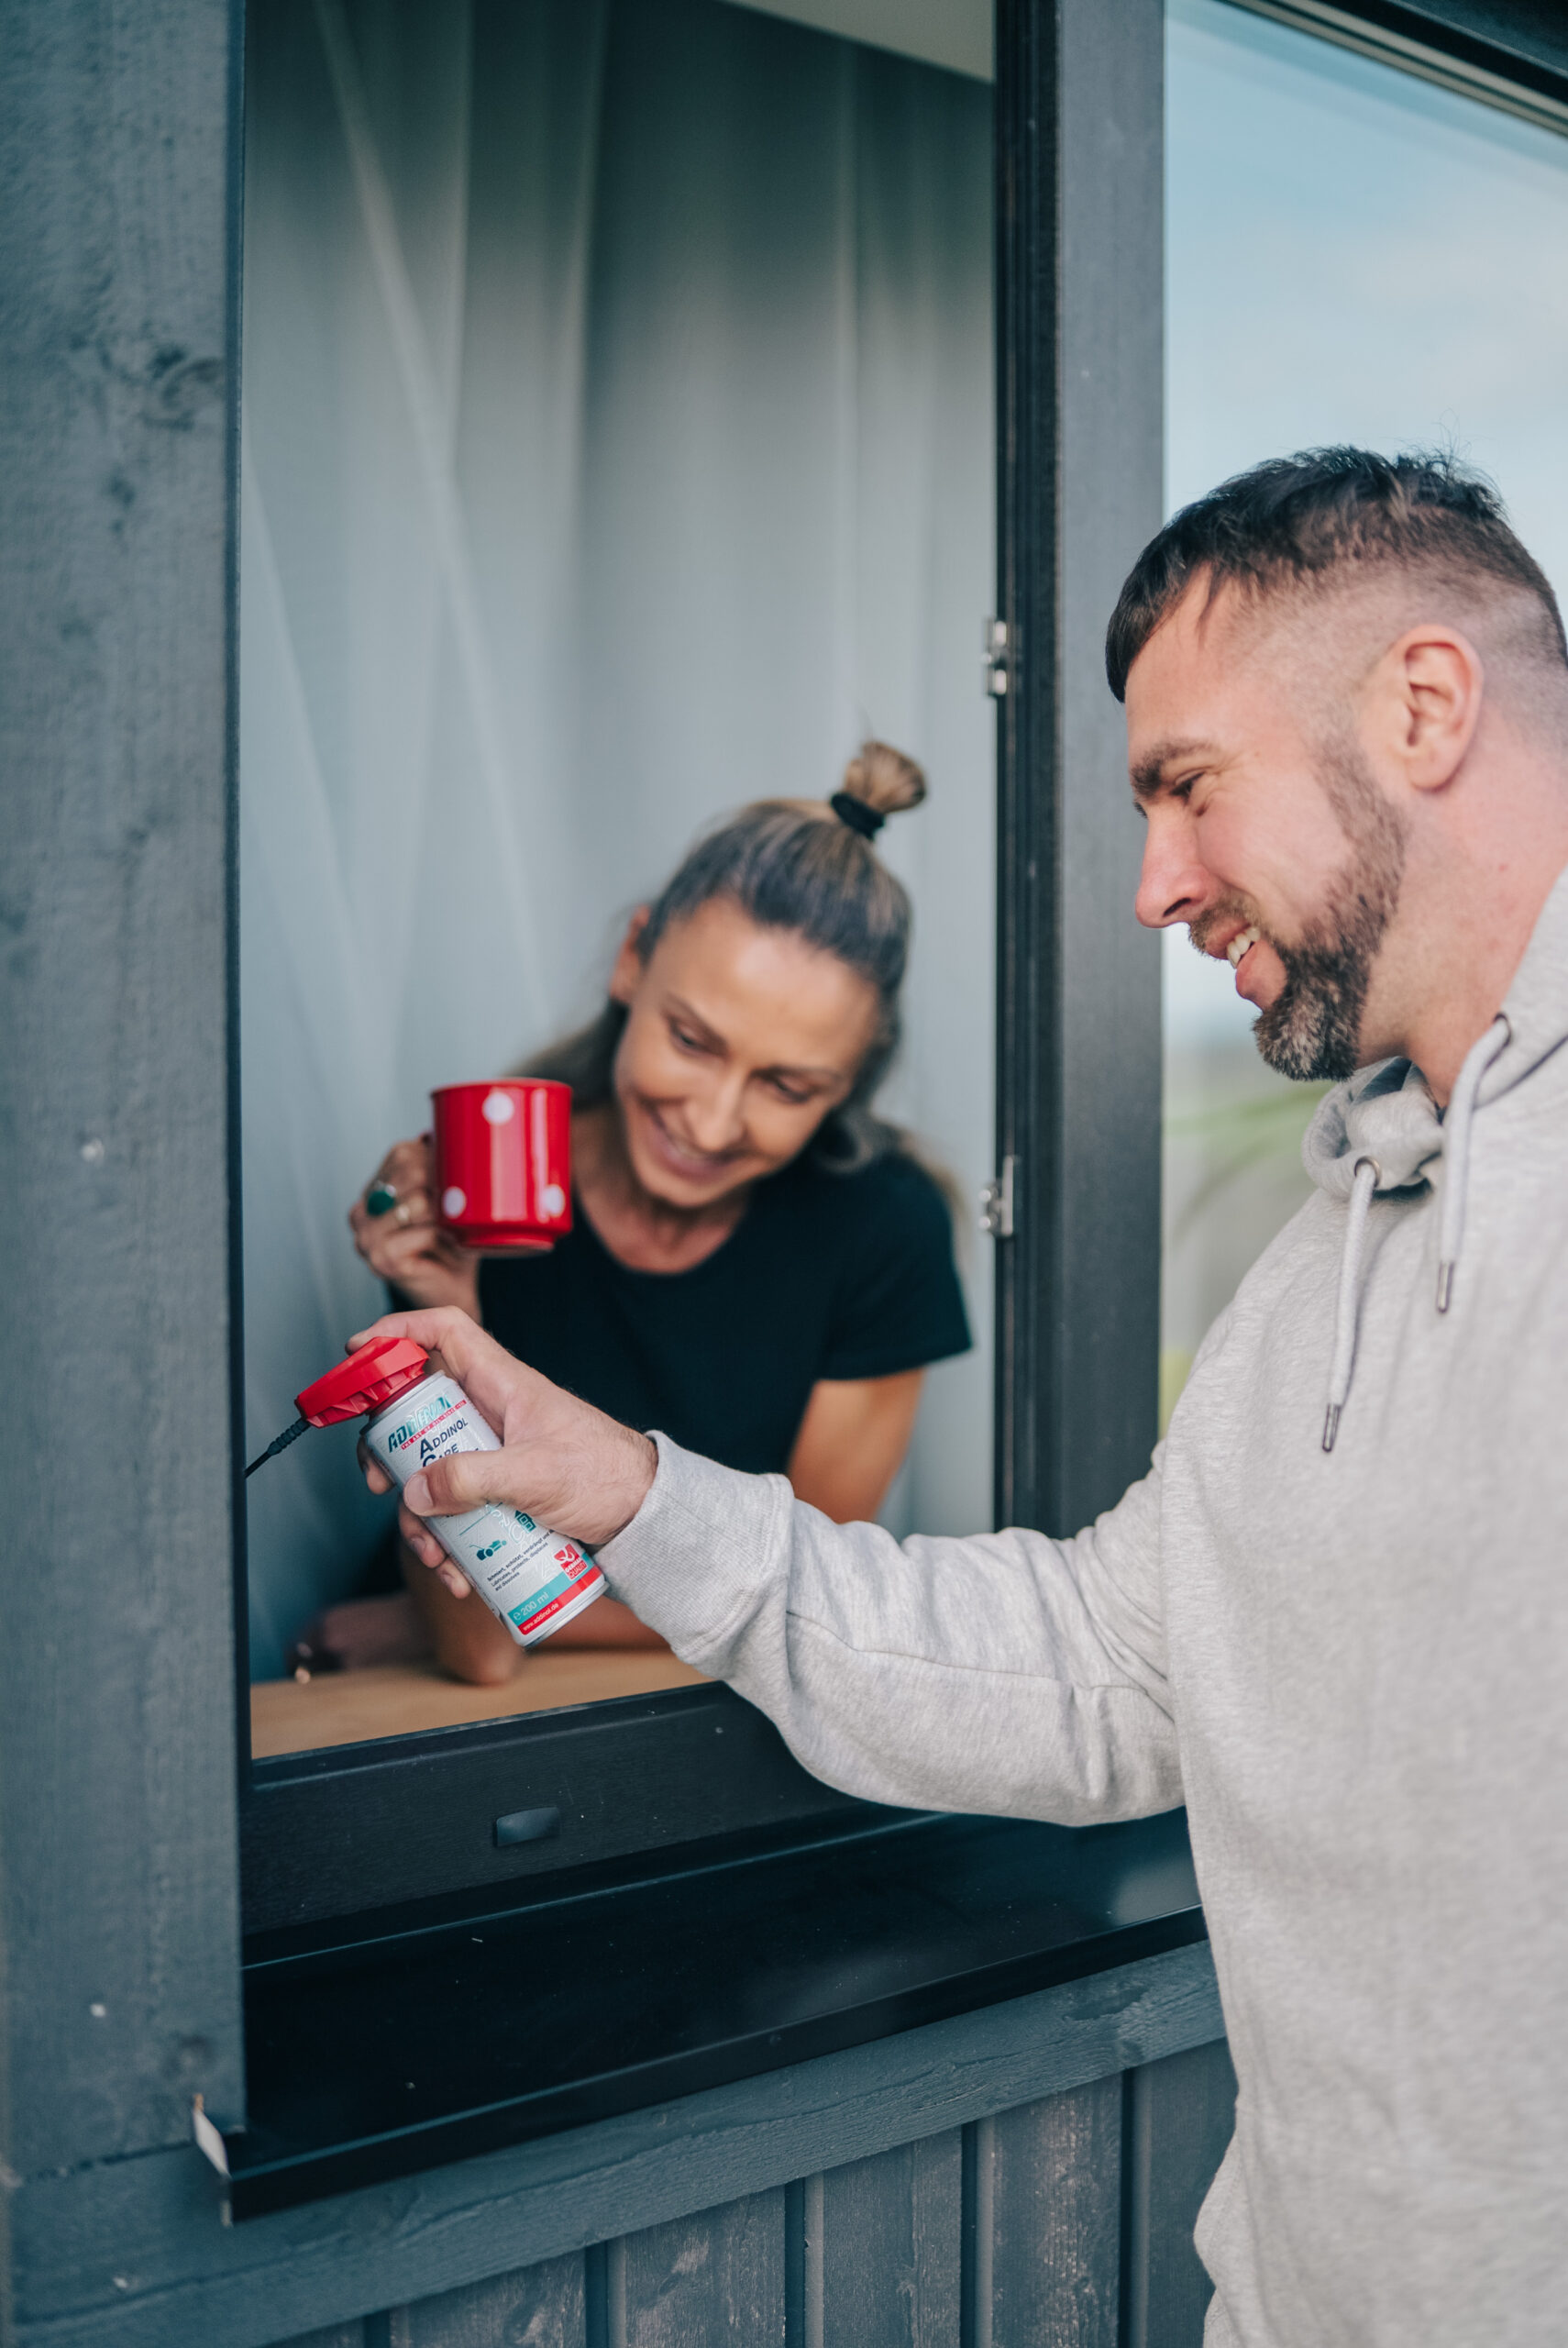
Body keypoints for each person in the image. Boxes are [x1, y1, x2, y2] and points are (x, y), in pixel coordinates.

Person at [353, 449, 1568, 2343]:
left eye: (1185, 784)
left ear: (1422, 707)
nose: (1153, 878)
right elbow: (1100, 1658)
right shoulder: (1320, 1266)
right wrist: (635, 1486)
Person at [308, 745, 971, 1685]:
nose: (710, 1121)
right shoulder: (502, 1182)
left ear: (849, 1083)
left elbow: (810, 1598)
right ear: (632, 960)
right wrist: (438, 1319)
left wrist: (409, 1626)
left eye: (787, 1084)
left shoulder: (885, 1230)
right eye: (692, 1040)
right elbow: (481, 1652)